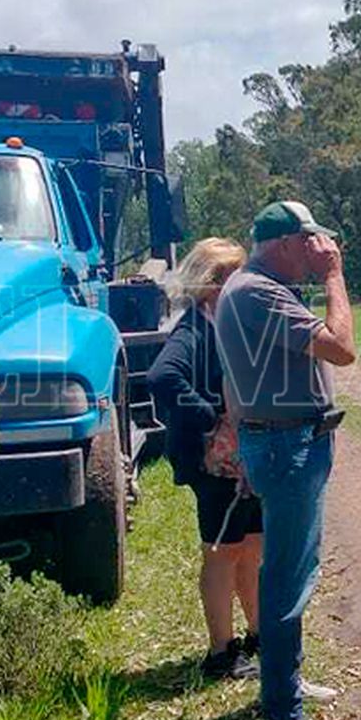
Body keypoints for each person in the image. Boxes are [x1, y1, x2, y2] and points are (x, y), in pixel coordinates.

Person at [215, 200, 358, 720]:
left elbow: (234, 380)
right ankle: (284, 716)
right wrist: (336, 278)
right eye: (311, 243)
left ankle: (286, 683)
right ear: (285, 244)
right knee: (287, 581)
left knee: (289, 571)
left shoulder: (251, 289)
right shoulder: (258, 292)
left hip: (279, 441)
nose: (318, 253)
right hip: (286, 444)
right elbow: (342, 348)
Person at [147, 238, 264, 679]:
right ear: (214, 283)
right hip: (213, 463)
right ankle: (221, 653)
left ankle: (257, 636)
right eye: (236, 278)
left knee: (251, 548)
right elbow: (162, 376)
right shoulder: (192, 330)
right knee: (222, 553)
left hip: (237, 462)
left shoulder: (217, 324)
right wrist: (211, 414)